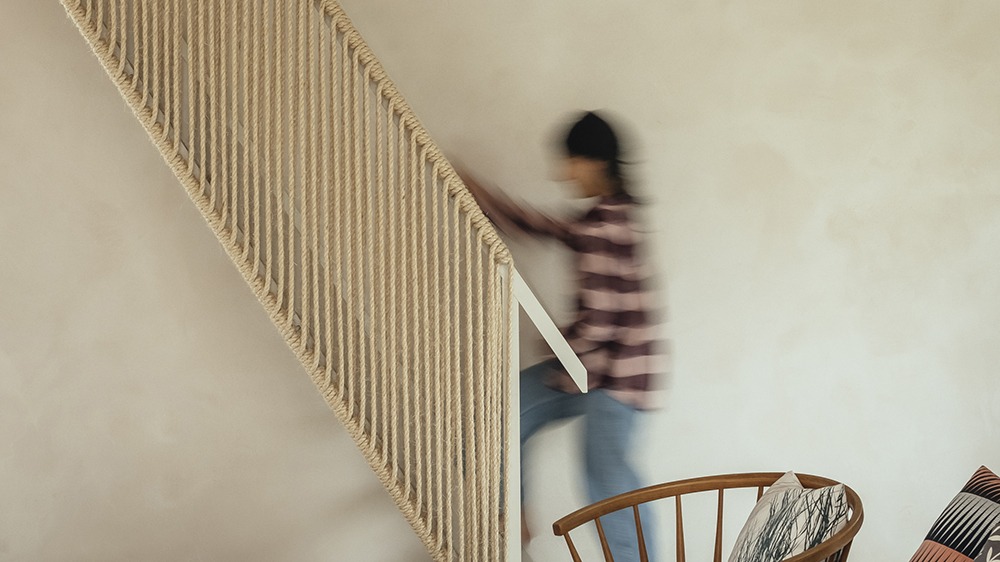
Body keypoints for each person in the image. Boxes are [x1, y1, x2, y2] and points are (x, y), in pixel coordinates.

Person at [461, 111, 665, 561]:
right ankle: (511, 528)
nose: (562, 173)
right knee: (507, 411)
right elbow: (540, 224)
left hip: (616, 380)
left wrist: (560, 345)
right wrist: (474, 193)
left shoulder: (607, 226)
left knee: (608, 486)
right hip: (591, 369)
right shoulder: (602, 219)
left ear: (592, 162)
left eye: (569, 162)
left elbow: (603, 321)